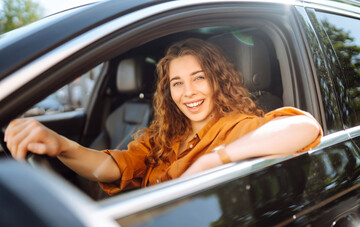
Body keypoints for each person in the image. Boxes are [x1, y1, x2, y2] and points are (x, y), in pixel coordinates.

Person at [4, 38, 322, 195]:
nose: (189, 93)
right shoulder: (162, 135)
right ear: (167, 91)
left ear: (216, 81)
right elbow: (110, 168)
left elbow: (305, 127)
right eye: (177, 83)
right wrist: (61, 145)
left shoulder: (236, 127)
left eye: (199, 78)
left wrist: (212, 160)